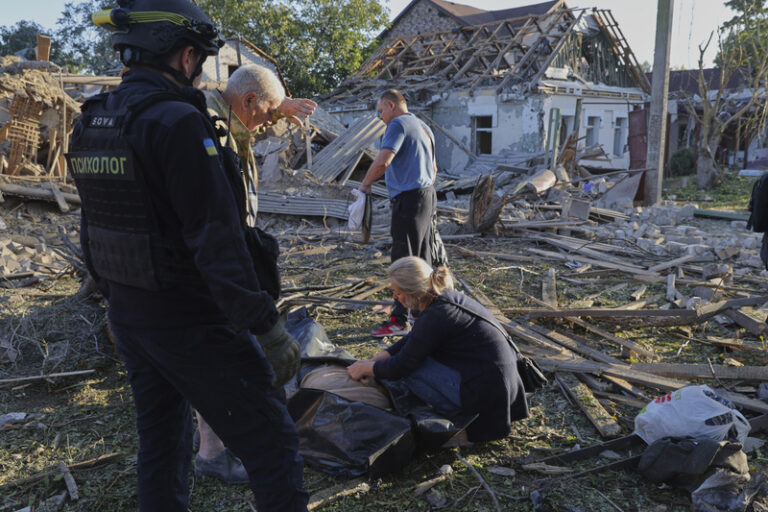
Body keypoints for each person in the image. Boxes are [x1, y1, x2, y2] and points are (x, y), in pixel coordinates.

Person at [69, 2, 308, 510]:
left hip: (133, 316)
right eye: (198, 57)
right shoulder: (177, 122)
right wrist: (265, 326)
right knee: (274, 446)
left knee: (162, 444)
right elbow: (216, 241)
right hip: (190, 319)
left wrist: (115, 301)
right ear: (182, 56)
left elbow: (93, 227)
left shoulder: (95, 119)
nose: (198, 69)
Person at [194, 64, 316, 484]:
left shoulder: (226, 115)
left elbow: (255, 105)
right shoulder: (205, 130)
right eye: (267, 114)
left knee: (214, 359)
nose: (269, 124)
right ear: (247, 102)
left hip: (224, 258)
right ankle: (211, 454)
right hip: (214, 265)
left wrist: (279, 104)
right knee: (214, 359)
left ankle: (214, 446)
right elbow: (212, 223)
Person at [346, 256, 529, 443]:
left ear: (414, 293)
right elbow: (415, 339)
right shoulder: (445, 298)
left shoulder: (436, 315)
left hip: (482, 395)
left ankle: (459, 412)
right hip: (497, 384)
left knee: (409, 371)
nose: (394, 297)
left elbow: (403, 365)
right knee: (406, 359)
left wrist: (368, 369)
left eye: (397, 293)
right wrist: (377, 359)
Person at [359, 89, 438, 337]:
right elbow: (434, 168)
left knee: (403, 262)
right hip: (426, 196)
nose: (380, 117)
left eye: (381, 111)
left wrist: (365, 184)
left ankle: (399, 319)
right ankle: (423, 314)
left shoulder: (397, 124)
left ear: (391, 105)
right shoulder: (423, 126)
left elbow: (383, 161)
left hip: (409, 199)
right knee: (422, 259)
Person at [206, 66, 316, 217]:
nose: (270, 121)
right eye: (270, 112)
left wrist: (279, 108)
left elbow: (253, 124)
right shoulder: (209, 128)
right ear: (249, 100)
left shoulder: (232, 122)